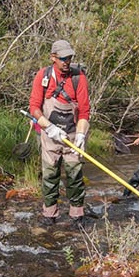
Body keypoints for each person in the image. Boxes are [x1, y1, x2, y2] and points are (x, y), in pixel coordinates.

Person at [29, 39, 91, 227]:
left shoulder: (78, 77)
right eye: (63, 58)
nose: (67, 61)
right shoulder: (43, 76)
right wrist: (49, 128)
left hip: (73, 135)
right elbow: (34, 108)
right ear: (53, 58)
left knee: (75, 176)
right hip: (50, 135)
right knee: (50, 176)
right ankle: (49, 214)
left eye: (69, 58)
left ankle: (77, 215)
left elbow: (85, 111)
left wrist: (81, 135)